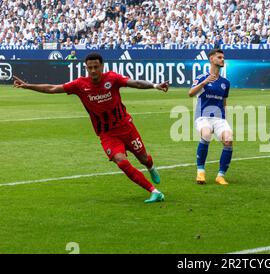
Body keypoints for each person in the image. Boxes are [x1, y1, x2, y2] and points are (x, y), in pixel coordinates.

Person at [13, 53, 169, 203]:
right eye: (90, 68)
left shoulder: (113, 78)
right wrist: (27, 86)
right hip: (106, 133)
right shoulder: (80, 85)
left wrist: (155, 85)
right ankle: (154, 191)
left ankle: (151, 167)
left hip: (126, 127)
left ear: (102, 66)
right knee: (121, 161)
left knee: (143, 158)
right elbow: (52, 88)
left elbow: (135, 83)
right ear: (86, 68)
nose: (93, 71)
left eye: (96, 67)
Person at [188, 49, 232, 186]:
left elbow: (224, 102)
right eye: (219, 57)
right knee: (206, 134)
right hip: (203, 117)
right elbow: (190, 93)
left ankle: (220, 176)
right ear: (211, 59)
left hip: (219, 118)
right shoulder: (201, 77)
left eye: (223, 57)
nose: (222, 59)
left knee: (229, 140)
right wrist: (204, 83)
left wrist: (224, 118)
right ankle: (200, 172)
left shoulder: (225, 82)